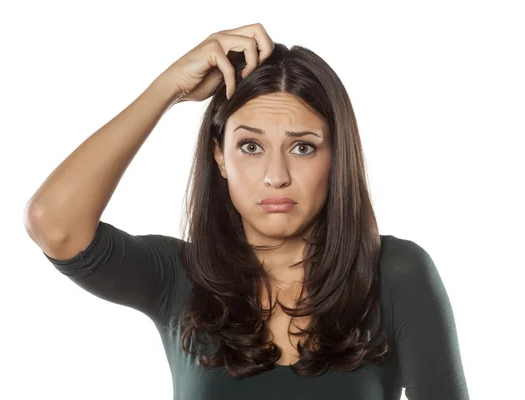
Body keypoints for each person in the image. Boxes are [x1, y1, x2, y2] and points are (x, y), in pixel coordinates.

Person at [24, 23, 469, 400]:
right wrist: (170, 87)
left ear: (336, 158)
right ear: (220, 157)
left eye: (303, 147)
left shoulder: (396, 273)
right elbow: (55, 224)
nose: (276, 175)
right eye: (251, 147)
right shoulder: (179, 277)